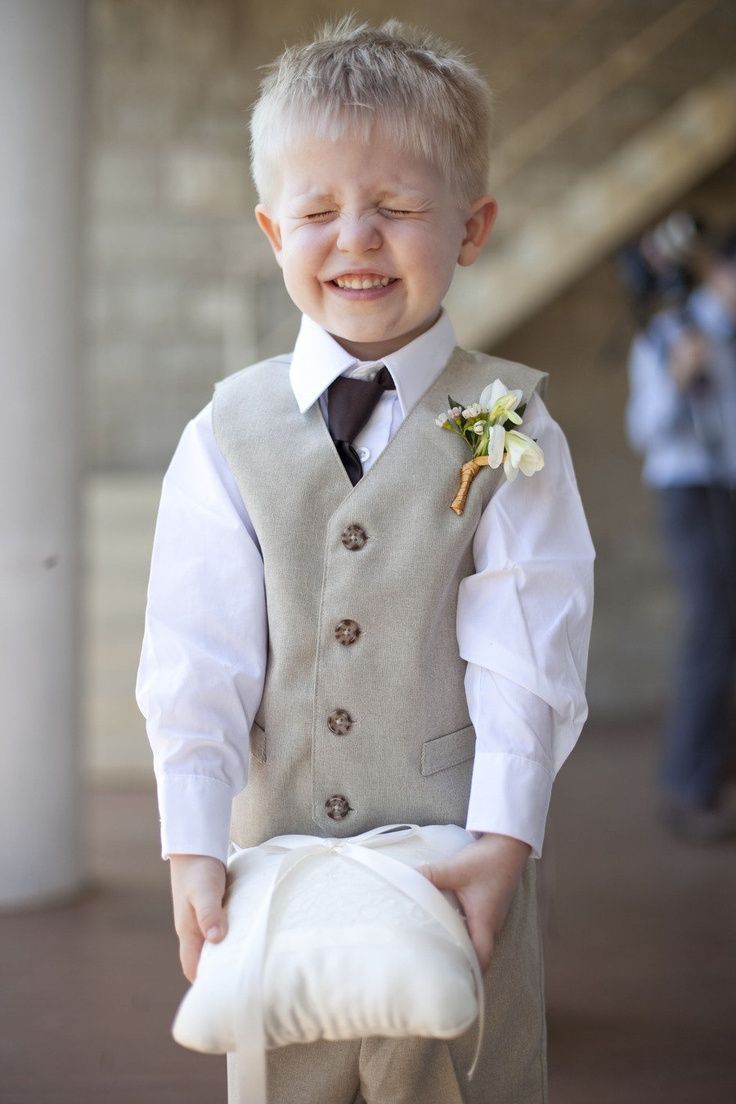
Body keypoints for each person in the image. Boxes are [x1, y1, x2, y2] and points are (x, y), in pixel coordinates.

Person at [136, 18, 594, 1103]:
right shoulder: (223, 433)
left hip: (454, 873)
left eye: (394, 208)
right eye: (317, 212)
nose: (355, 240)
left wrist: (502, 839)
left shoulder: (506, 422)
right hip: (275, 887)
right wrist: (192, 843)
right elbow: (196, 657)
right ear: (269, 228)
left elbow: (525, 647)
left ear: (471, 224)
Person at [625, 229, 736, 843]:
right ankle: (688, 787)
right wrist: (678, 377)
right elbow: (646, 428)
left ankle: (716, 772)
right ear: (719, 272)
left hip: (731, 488)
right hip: (690, 492)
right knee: (712, 631)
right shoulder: (667, 334)